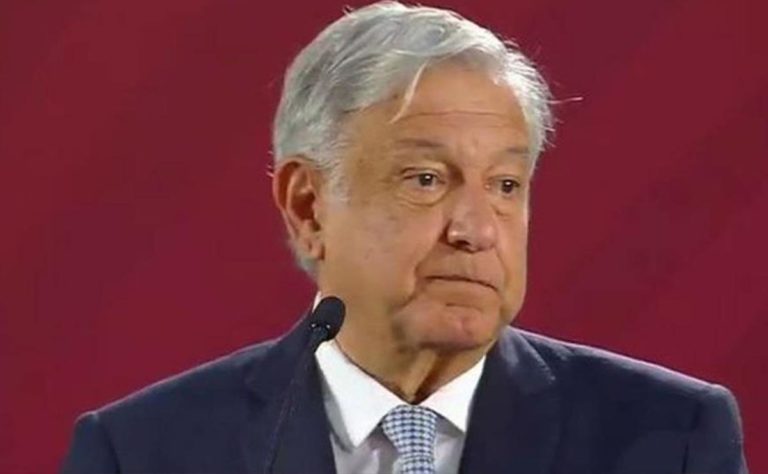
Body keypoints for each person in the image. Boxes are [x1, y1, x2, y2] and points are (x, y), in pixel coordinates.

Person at [61, 2, 748, 473]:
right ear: (308, 205)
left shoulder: (669, 437)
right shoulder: (144, 451)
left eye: (506, 185)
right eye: (425, 179)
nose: (476, 230)